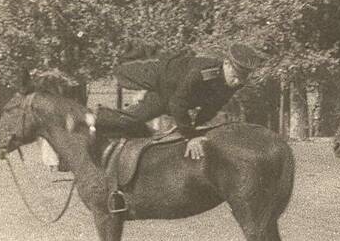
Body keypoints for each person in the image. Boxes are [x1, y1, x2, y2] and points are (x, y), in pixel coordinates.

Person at [113, 43, 267, 159]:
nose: (238, 81)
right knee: (120, 73)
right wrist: (190, 136)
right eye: (236, 74)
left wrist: (196, 126)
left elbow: (211, 107)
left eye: (243, 77)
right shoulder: (202, 73)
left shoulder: (232, 82)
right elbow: (178, 103)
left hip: (170, 93)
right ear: (226, 63)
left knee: (130, 119)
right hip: (158, 74)